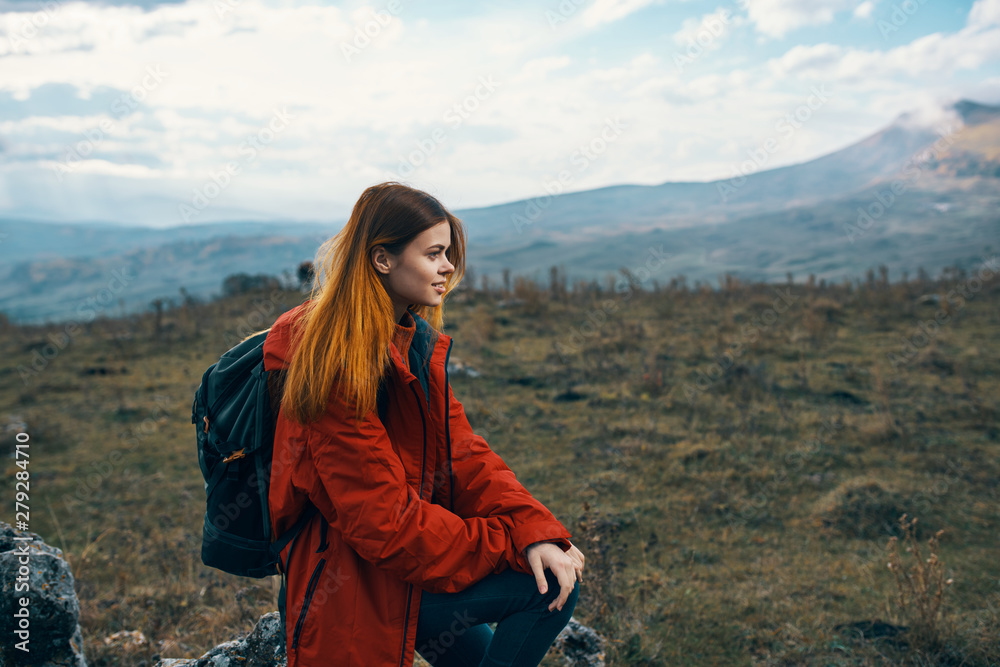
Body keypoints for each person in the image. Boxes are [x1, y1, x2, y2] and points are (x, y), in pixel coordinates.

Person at [263, 182, 586, 666]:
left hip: (400, 568)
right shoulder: (331, 360)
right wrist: (512, 545)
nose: (450, 266)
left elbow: (465, 456)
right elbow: (385, 523)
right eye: (434, 252)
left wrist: (533, 527)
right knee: (543, 589)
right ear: (382, 260)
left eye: (449, 252)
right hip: (352, 581)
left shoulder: (409, 340)